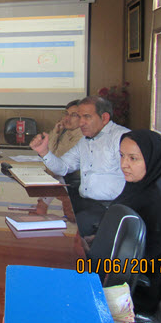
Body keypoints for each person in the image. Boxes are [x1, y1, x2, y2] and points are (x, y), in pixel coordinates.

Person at [30, 96, 130, 236]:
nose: (81, 122)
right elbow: (63, 167)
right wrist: (44, 152)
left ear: (104, 118)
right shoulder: (85, 141)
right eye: (80, 116)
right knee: (46, 224)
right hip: (84, 201)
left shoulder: (122, 138)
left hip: (109, 207)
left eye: (86, 117)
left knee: (65, 231)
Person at [113, 130, 161, 313]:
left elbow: (141, 262)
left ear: (154, 159)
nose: (124, 164)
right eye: (122, 155)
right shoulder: (142, 188)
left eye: (133, 158)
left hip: (132, 290)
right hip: (119, 270)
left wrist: (90, 259)